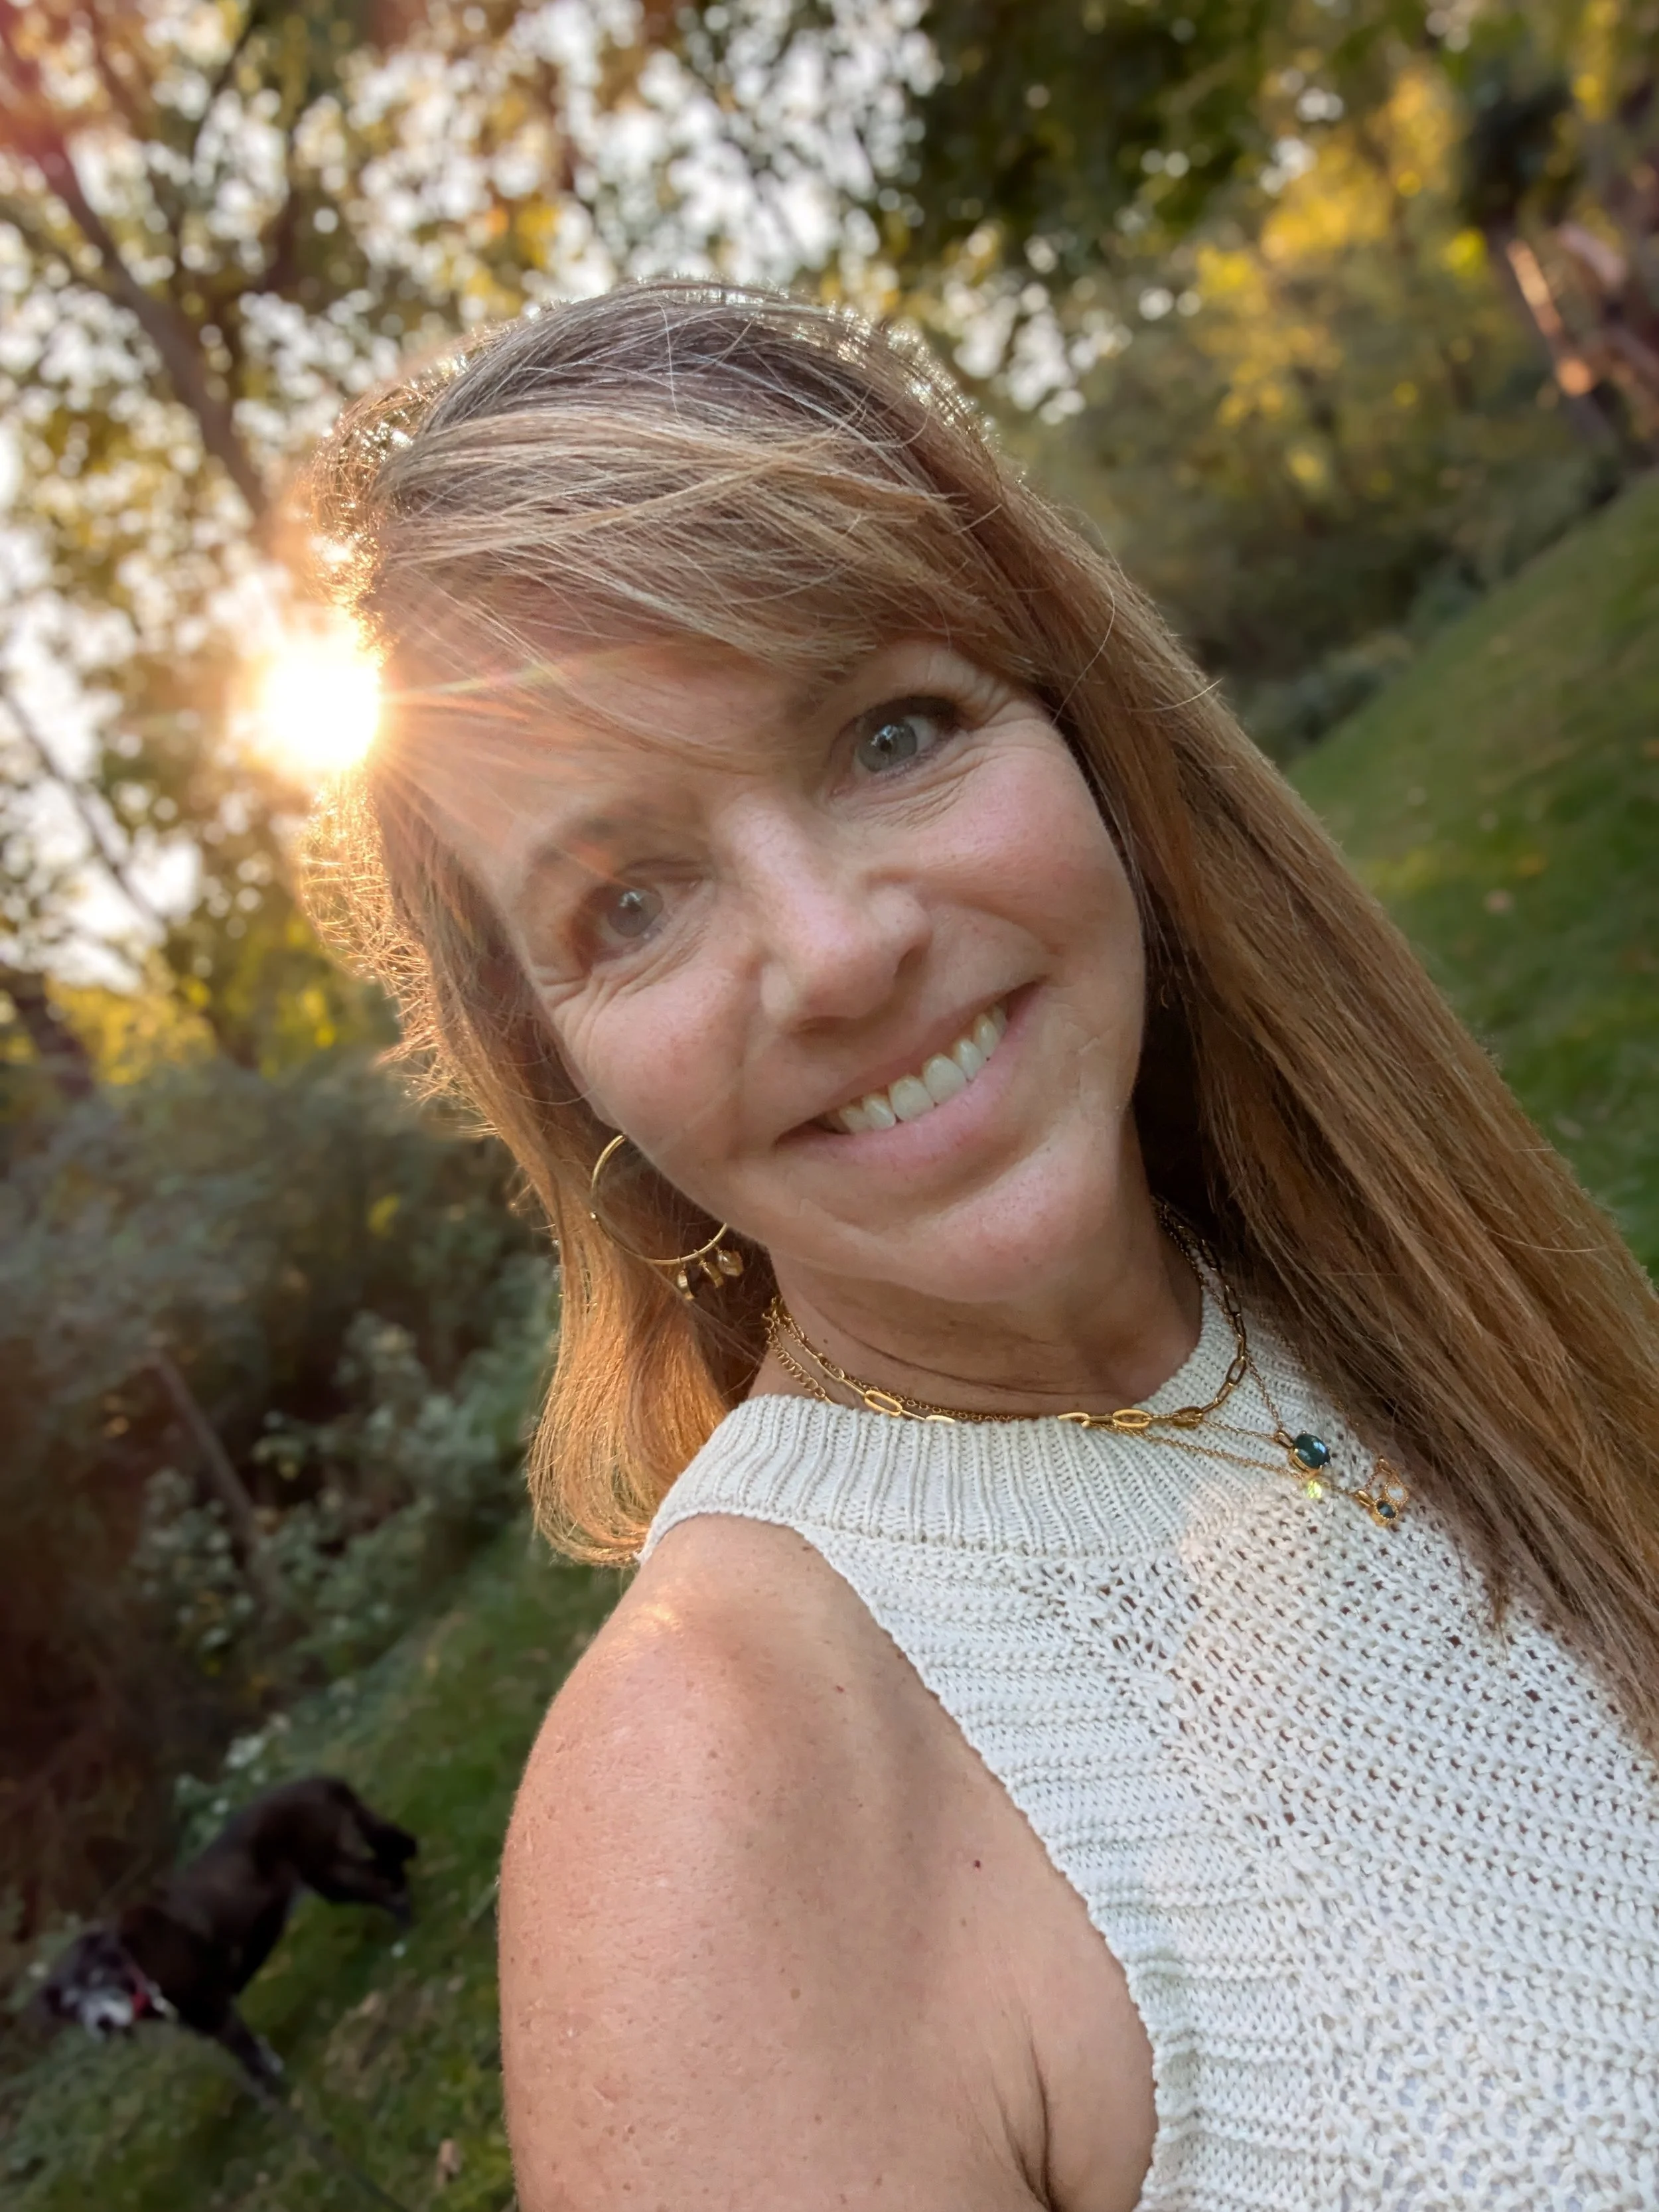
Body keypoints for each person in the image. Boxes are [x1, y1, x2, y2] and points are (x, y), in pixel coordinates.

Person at [306, 283, 1659, 2211]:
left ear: (1085, 731)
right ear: (568, 1077)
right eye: (628, 900)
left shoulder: (1379, 1275)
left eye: (888, 728)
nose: (839, 948)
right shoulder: (719, 1804)